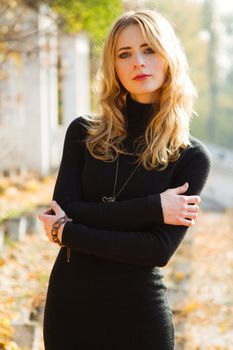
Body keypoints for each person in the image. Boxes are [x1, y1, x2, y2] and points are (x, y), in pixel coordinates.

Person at [38, 8, 211, 350]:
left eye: (149, 49)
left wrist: (70, 231)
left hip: (139, 316)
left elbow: (157, 251)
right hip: (70, 307)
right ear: (113, 66)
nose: (138, 62)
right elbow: (65, 206)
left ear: (168, 57)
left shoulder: (190, 156)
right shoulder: (83, 134)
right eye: (124, 54)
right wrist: (153, 207)